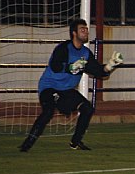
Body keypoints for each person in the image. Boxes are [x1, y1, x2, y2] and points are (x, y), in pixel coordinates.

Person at [19, 19, 124, 152]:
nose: (86, 31)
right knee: (49, 111)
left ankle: (75, 142)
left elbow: (98, 71)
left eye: (86, 29)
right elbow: (55, 66)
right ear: (74, 33)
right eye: (82, 29)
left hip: (66, 90)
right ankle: (27, 144)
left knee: (87, 108)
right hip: (49, 87)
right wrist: (71, 67)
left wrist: (110, 65)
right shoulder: (63, 48)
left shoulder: (86, 53)